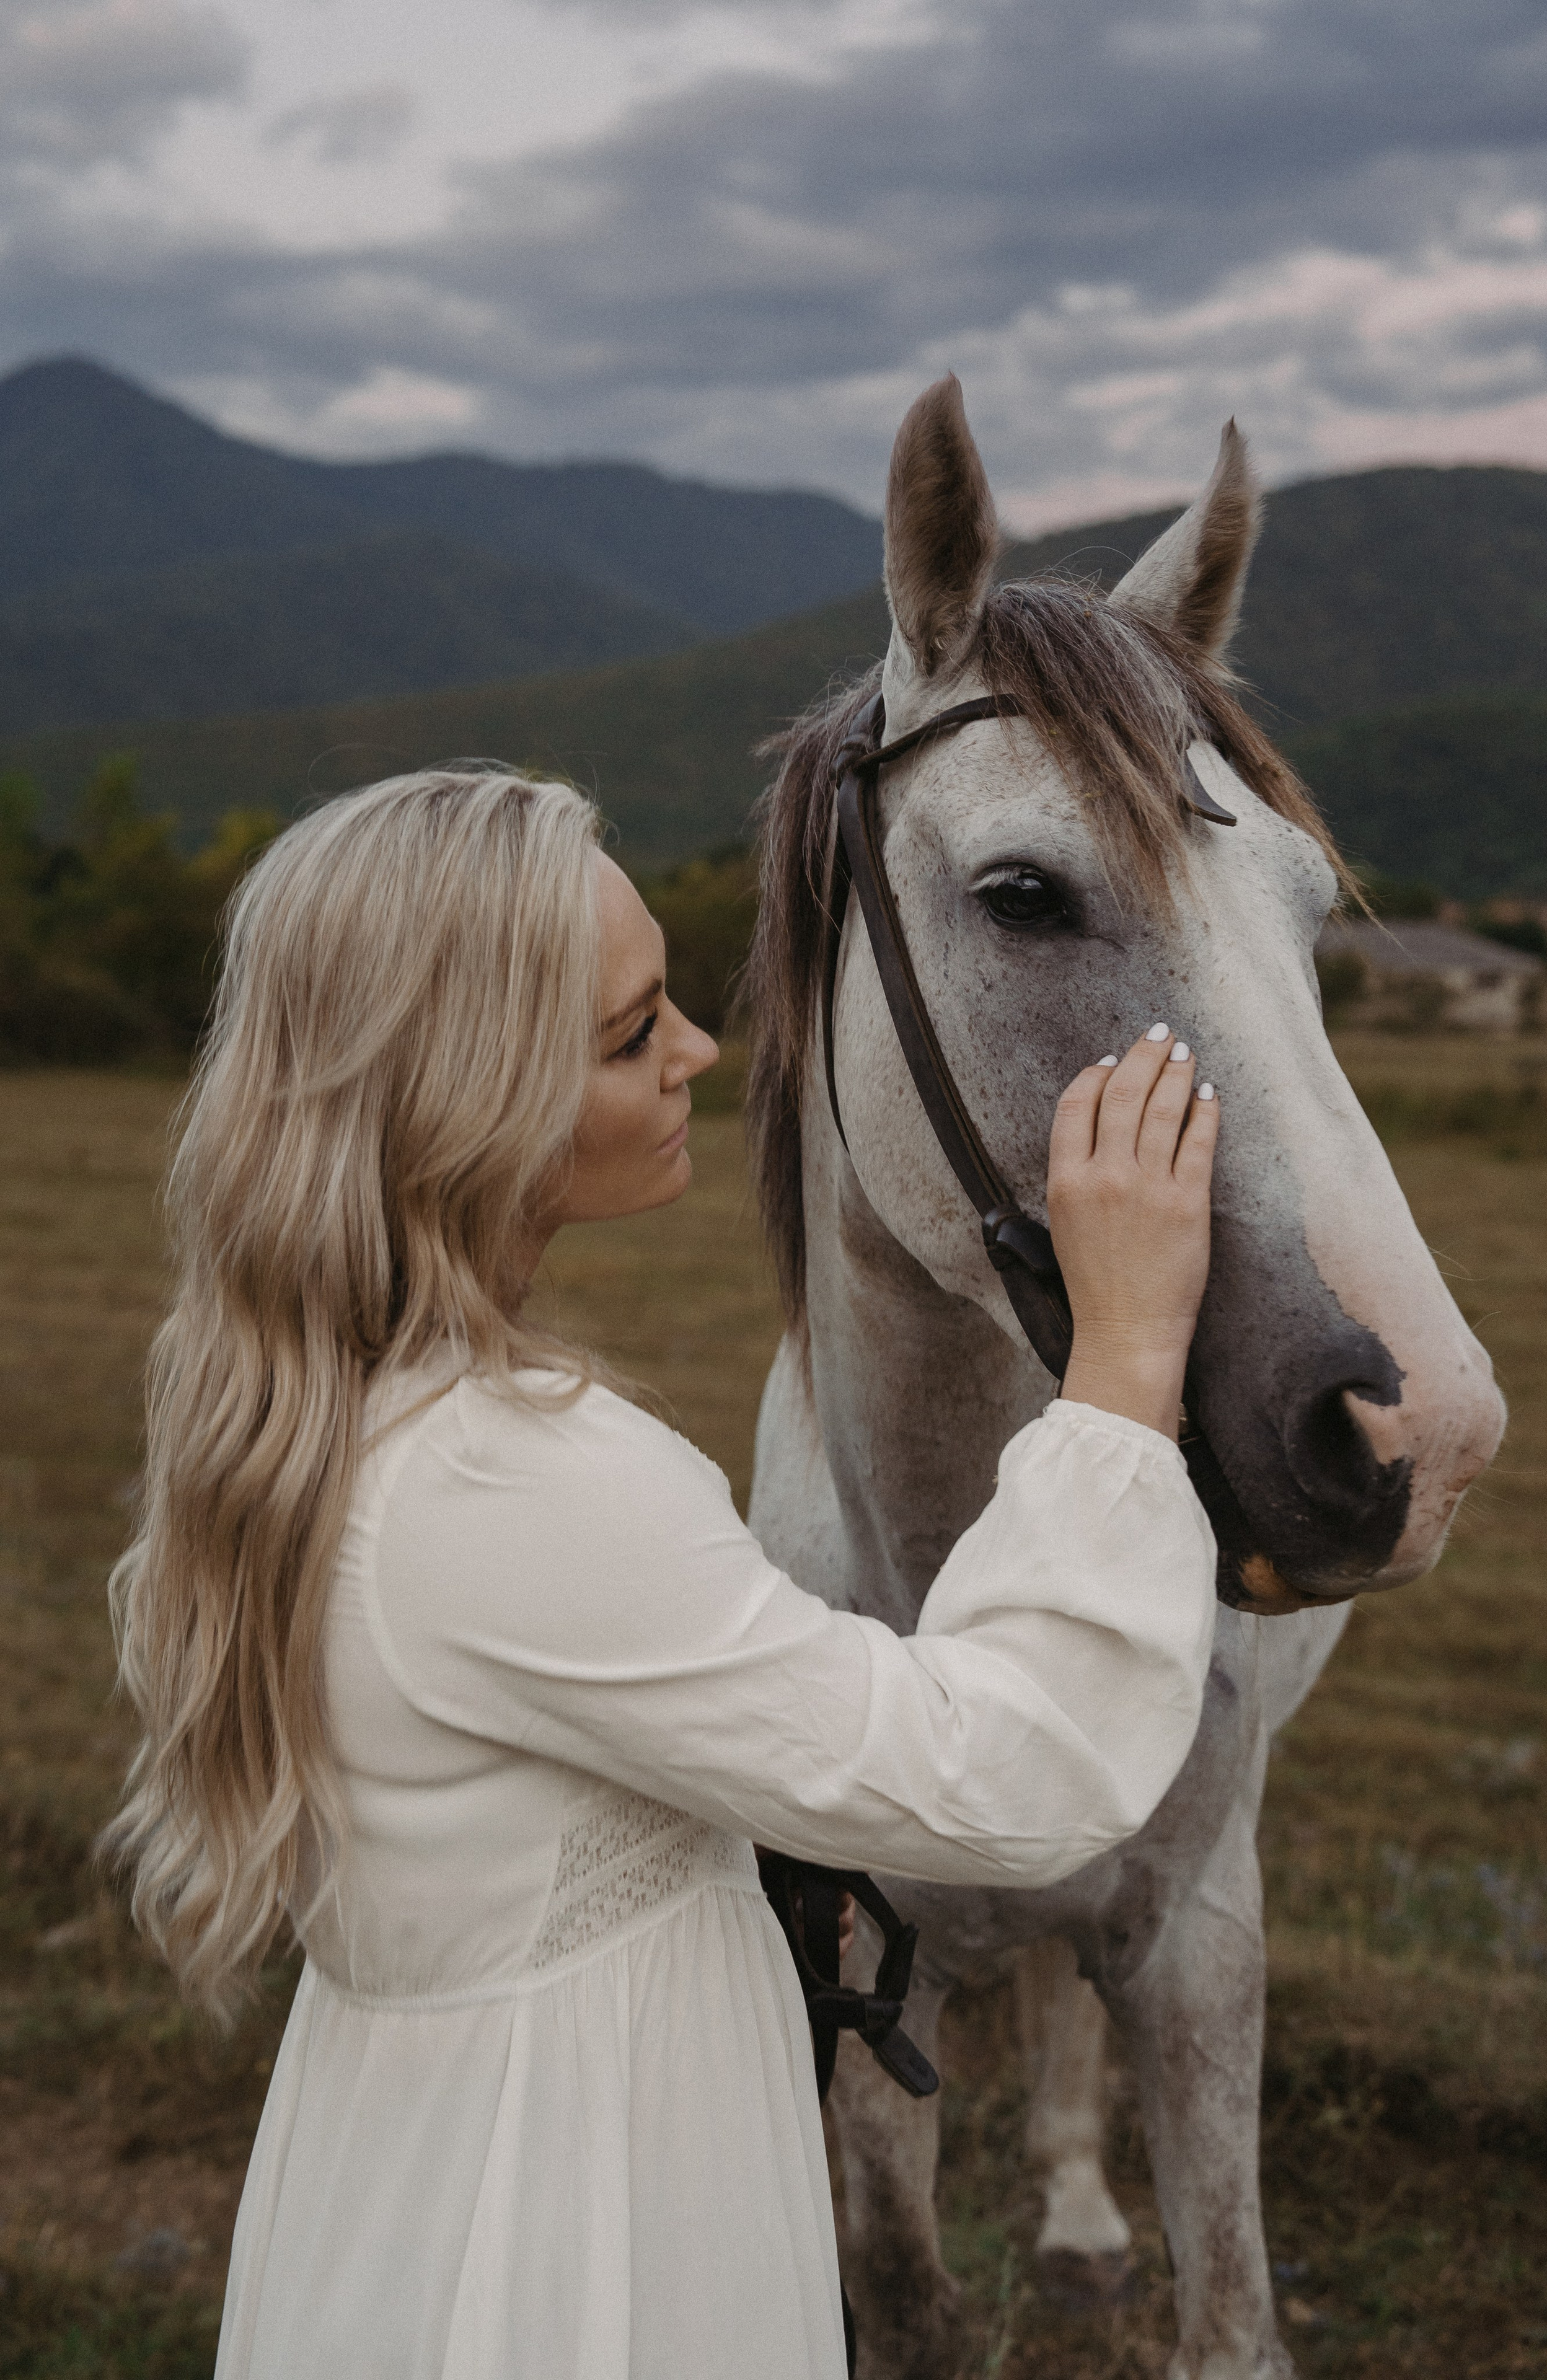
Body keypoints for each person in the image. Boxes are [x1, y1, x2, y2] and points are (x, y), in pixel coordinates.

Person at [102, 766, 1220, 2380]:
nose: (703, 1049)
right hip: (573, 2218)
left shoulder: (327, 1402)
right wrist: (1120, 1363)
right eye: (634, 1036)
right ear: (467, 1102)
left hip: (407, 2157)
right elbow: (998, 1768)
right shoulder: (520, 1479)